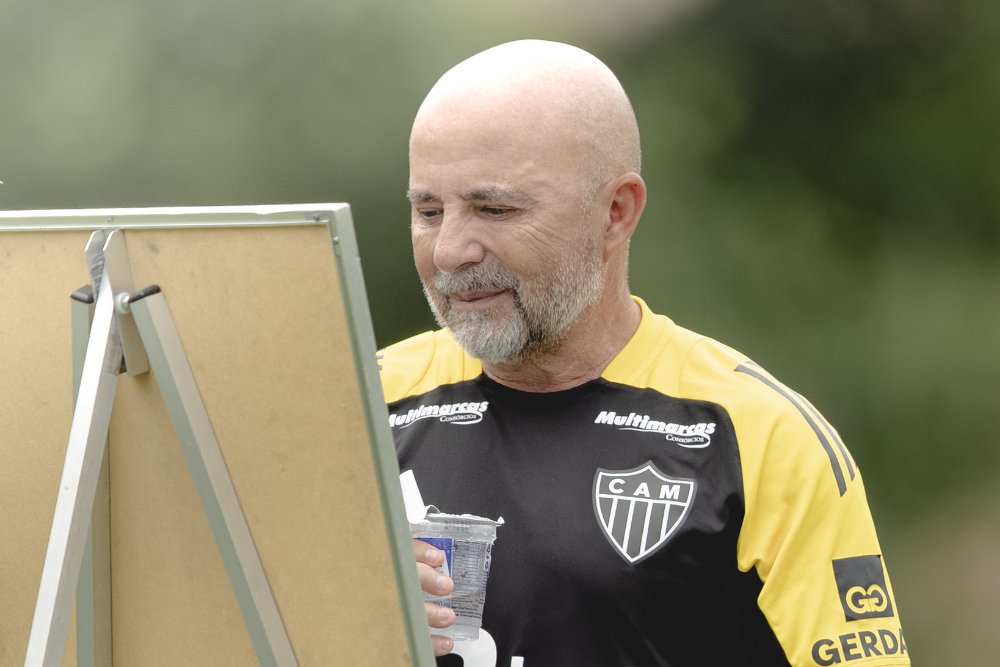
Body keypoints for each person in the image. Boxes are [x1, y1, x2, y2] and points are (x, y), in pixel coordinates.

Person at [379, 39, 909, 667]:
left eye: (496, 209)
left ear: (616, 213)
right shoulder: (358, 408)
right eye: (429, 211)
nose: (449, 252)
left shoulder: (759, 437)